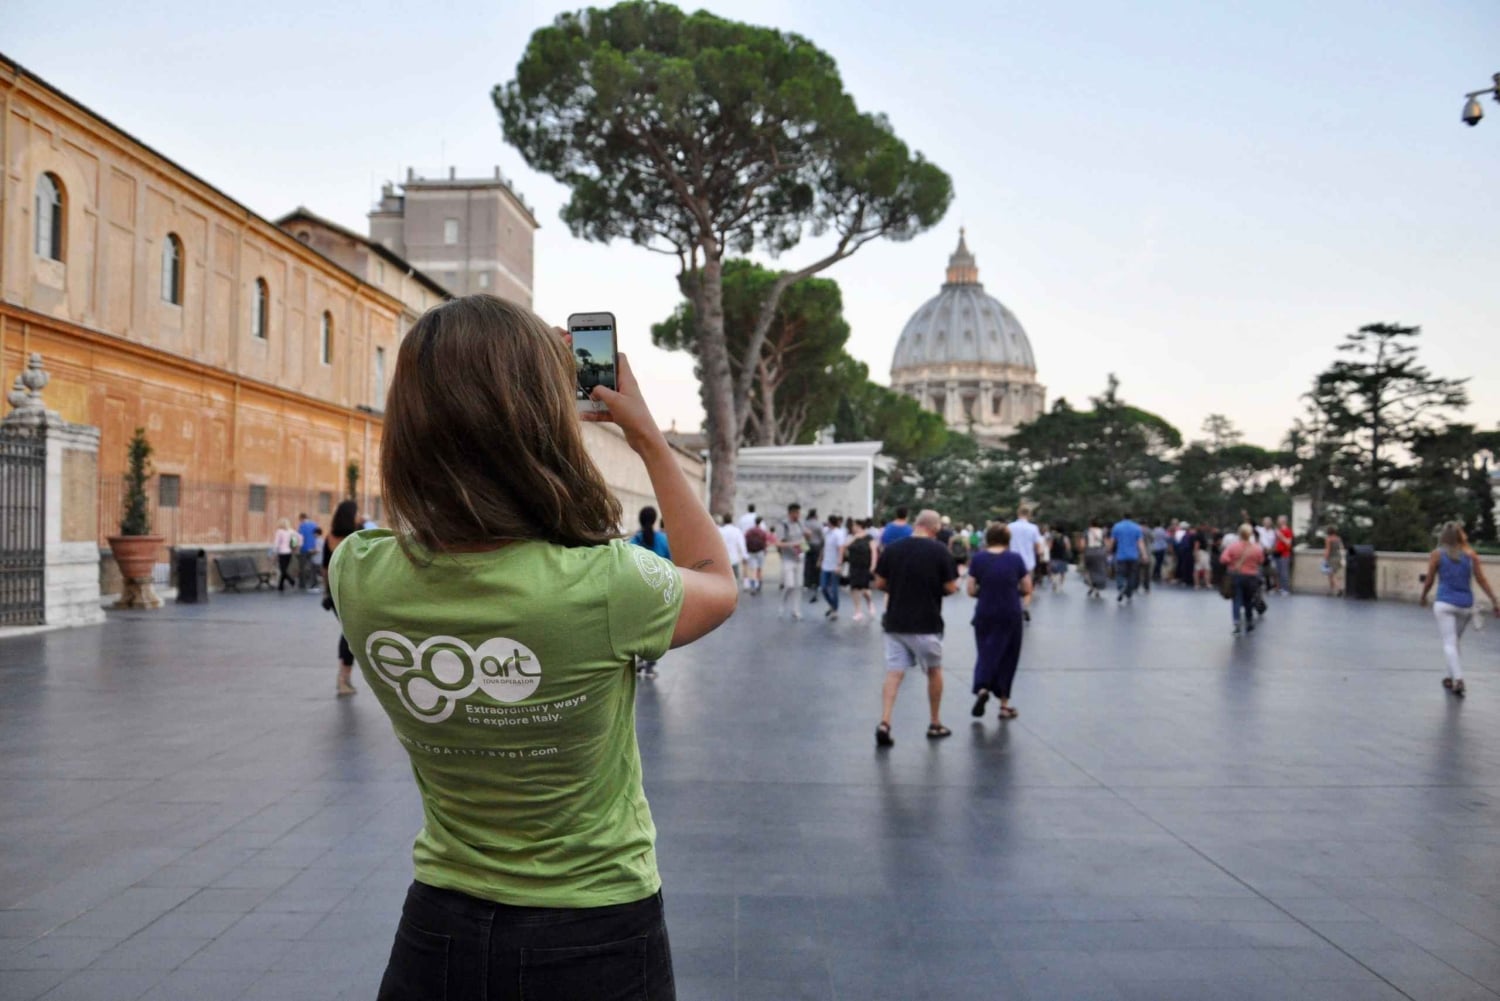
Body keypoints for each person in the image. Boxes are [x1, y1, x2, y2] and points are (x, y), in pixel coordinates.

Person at [328, 295, 736, 1000]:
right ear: (539, 425)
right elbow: (716, 580)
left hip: (437, 933)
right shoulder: (608, 584)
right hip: (597, 932)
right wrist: (648, 439)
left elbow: (426, 526)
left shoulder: (358, 573)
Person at [873, 509, 959, 747]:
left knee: (894, 673)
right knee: (934, 670)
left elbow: (879, 582)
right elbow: (951, 587)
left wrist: (898, 587)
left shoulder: (893, 549)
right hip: (926, 622)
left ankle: (885, 721)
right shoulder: (939, 551)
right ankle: (935, 722)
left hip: (895, 622)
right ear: (935, 528)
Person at [1419, 522, 1499, 698]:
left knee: (1449, 643)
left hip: (1444, 604)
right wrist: (1494, 601)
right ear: (1461, 536)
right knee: (1454, 642)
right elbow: (1482, 580)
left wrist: (1423, 596)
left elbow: (1430, 579)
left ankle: (1458, 679)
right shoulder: (1471, 556)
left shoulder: (1437, 555)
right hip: (1465, 605)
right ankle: (1450, 677)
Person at [968, 523, 1031, 722]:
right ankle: (1004, 705)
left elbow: (970, 589)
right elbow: (1027, 586)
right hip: (1010, 612)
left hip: (985, 611)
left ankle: (982, 687)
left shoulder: (978, 559)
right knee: (1008, 656)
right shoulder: (1015, 559)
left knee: (985, 651)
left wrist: (984, 592)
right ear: (1007, 539)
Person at [630, 506, 672, 677]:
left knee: (639, 627)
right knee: (655, 629)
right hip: (658, 592)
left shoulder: (633, 542)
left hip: (637, 591)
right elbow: (671, 563)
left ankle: (640, 659)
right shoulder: (663, 540)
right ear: (654, 520)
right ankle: (650, 664)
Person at [324, 500, 361, 694]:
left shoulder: (329, 538)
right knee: (350, 636)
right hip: (352, 593)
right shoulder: (356, 537)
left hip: (335, 593)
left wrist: (326, 591)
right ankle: (343, 678)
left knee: (347, 633)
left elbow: (324, 568)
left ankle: (343, 677)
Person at [1220, 523, 1266, 636]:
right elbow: (1261, 561)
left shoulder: (1233, 547)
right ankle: (1249, 621)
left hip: (1237, 576)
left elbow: (1223, 559)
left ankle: (1236, 624)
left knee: (1236, 600)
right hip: (1251, 577)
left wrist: (1233, 563)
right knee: (1248, 600)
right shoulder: (1256, 548)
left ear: (1239, 534)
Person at [1006, 504, 1046, 620]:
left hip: (1011, 561)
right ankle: (1025, 607)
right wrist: (1040, 554)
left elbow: (1005, 544)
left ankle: (1014, 606)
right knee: (1028, 586)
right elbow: (1038, 546)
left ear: (1018, 513)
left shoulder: (1010, 527)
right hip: (1028, 562)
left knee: (1013, 585)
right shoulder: (1033, 528)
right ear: (1029, 515)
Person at [775, 503, 807, 620]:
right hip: (788, 558)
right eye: (796, 513)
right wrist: (793, 544)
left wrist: (806, 540)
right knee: (789, 585)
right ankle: (782, 605)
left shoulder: (800, 523)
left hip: (800, 557)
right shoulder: (783, 525)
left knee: (799, 585)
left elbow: (803, 539)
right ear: (791, 513)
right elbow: (778, 543)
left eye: (799, 512)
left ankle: (796, 610)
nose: (798, 515)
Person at [1109, 512, 1146, 604]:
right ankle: (1129, 593)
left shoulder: (1117, 527)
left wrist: (1108, 551)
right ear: (1131, 517)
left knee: (1120, 573)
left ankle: (1121, 587)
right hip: (1133, 556)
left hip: (1121, 555)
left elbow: (1112, 541)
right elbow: (1140, 542)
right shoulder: (1137, 528)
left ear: (1123, 517)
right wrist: (1144, 554)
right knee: (1132, 575)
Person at [844, 519, 876, 623]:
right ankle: (858, 611)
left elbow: (874, 552)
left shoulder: (869, 537)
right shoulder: (852, 537)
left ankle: (869, 602)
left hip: (865, 566)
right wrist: (854, 538)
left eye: (854, 526)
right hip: (854, 565)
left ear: (859, 526)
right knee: (854, 587)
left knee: (864, 588)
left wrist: (873, 565)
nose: (852, 528)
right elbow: (845, 546)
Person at [718, 513, 748, 590]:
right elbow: (741, 544)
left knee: (724, 580)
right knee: (735, 580)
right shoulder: (736, 531)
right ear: (731, 520)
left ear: (723, 520)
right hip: (734, 559)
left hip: (723, 559)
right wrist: (744, 556)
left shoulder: (720, 531)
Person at [803, 508, 824, 604]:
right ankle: (817, 583)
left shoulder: (805, 523)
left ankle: (807, 583)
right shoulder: (818, 524)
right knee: (817, 565)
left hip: (806, 545)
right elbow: (822, 536)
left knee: (808, 564)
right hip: (816, 545)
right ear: (815, 515)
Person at [1083, 519, 1109, 598]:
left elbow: (1083, 544)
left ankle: (1092, 586)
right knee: (1099, 570)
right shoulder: (1102, 532)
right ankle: (1097, 588)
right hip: (1100, 552)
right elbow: (1106, 543)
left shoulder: (1087, 531)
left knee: (1089, 570)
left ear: (1090, 524)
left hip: (1089, 552)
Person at [743, 516, 768, 594]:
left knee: (752, 570)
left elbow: (745, 540)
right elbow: (765, 542)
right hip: (760, 551)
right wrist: (765, 550)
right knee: (759, 569)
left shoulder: (749, 531)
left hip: (751, 552)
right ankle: (759, 585)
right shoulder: (762, 531)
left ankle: (753, 586)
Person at [272, 518, 298, 592]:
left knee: (282, 569)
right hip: (289, 552)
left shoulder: (279, 531)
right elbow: (295, 541)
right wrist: (293, 549)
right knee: (284, 569)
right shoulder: (292, 531)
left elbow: (276, 543)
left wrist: (274, 552)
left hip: (282, 552)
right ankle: (281, 586)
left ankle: (291, 580)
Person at [296, 512, 319, 590]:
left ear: (301, 518)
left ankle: (302, 584)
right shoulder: (314, 525)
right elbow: (317, 536)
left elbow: (300, 538)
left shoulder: (302, 526)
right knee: (313, 567)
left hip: (304, 549)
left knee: (302, 567)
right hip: (313, 548)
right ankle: (314, 583)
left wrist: (298, 548)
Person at [1273, 515, 1294, 594]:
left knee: (1284, 572)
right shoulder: (1278, 530)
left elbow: (1288, 543)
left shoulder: (1288, 531)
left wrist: (1280, 536)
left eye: (1279, 519)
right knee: (1278, 572)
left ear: (1283, 521)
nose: (1278, 521)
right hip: (1277, 553)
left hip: (1284, 554)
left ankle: (1286, 589)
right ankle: (1280, 588)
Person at [1322, 526, 1345, 597]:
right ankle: (1331, 590)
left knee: (1331, 575)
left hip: (1331, 558)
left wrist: (1325, 559)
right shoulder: (1338, 539)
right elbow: (1342, 548)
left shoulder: (1328, 539)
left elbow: (1328, 550)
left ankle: (1339, 588)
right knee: (1333, 574)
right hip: (1338, 557)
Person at [1047, 525, 1071, 592]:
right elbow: (1068, 547)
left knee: (1053, 571)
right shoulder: (1065, 538)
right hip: (1062, 557)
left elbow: (1050, 547)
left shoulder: (1053, 537)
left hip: (1054, 556)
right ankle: (1060, 585)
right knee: (1062, 572)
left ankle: (1054, 583)